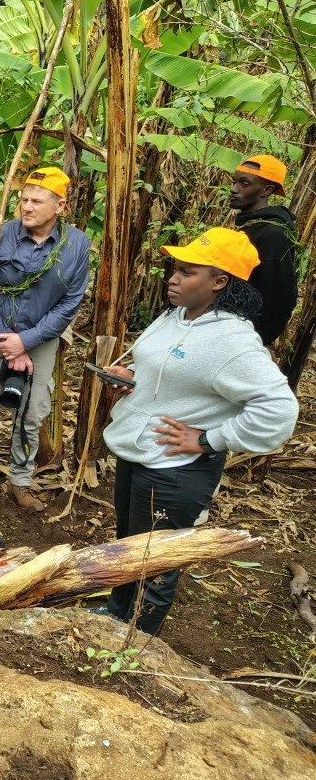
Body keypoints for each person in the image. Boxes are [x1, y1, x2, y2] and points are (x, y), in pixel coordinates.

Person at [100, 227, 298, 634]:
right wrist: (132, 375)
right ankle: (112, 618)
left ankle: (135, 642)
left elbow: (279, 409)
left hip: (177, 468)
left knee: (156, 559)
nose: (173, 278)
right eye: (176, 269)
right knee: (128, 547)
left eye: (188, 272)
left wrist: (209, 439)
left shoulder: (232, 341)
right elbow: (171, 373)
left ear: (219, 282)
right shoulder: (176, 316)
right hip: (138, 451)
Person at [0, 167, 90, 514]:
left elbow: (70, 302)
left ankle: (20, 481)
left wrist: (27, 341)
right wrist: (8, 341)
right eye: (23, 199)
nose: (26, 207)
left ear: (60, 206)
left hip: (42, 338)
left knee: (32, 413)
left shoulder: (77, 245)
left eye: (36, 201)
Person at [228, 154, 299, 346]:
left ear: (267, 190)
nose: (233, 190)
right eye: (234, 182)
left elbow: (279, 293)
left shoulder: (270, 233)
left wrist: (257, 339)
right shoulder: (252, 226)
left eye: (244, 184)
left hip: (245, 334)